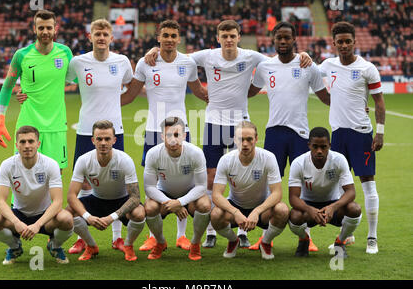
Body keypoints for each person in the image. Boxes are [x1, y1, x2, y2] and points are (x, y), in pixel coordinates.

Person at [145, 19, 312, 249]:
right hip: (214, 122)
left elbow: (280, 60)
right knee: (213, 178)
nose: (229, 40)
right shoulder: (207, 56)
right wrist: (155, 49)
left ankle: (242, 230)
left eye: (233, 36)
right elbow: (175, 55)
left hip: (239, 125)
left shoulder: (251, 57)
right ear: (218, 38)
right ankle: (212, 230)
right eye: (225, 36)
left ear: (238, 36)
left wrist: (302, 54)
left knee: (238, 176)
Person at [121, 19, 208, 252]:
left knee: (184, 179)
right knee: (155, 177)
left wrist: (224, 99)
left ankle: (181, 236)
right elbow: (130, 94)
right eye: (165, 35)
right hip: (152, 128)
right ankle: (153, 236)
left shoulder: (187, 62)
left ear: (179, 39)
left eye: (173, 36)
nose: (169, 39)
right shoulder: (145, 62)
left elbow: (199, 90)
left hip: (181, 128)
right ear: (158, 37)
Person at [248, 21, 330, 251]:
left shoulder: (308, 66)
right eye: (278, 38)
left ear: (295, 39)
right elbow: (250, 91)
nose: (282, 42)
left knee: (305, 185)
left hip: (300, 133)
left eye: (287, 38)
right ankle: (266, 238)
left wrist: (351, 105)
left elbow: (325, 97)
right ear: (273, 40)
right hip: (274, 131)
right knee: (266, 185)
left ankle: (306, 236)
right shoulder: (265, 67)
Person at [63, 18, 132, 254]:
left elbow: (131, 85)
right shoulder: (78, 62)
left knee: (117, 181)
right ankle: (83, 238)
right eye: (97, 34)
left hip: (116, 130)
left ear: (112, 38)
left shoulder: (122, 61)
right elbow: (58, 82)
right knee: (82, 181)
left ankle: (116, 237)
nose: (101, 37)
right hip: (85, 130)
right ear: (89, 37)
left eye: (105, 34)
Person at [319, 21, 386, 254]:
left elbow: (379, 102)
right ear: (334, 43)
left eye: (348, 41)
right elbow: (311, 76)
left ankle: (372, 237)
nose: (344, 45)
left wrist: (379, 132)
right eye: (340, 42)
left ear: (355, 42)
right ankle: (346, 236)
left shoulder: (368, 68)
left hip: (361, 134)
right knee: (339, 189)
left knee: (368, 185)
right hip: (337, 135)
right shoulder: (327, 65)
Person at [0, 10, 72, 172]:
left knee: (56, 175)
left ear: (55, 29)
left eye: (49, 28)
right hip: (28, 124)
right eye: (41, 28)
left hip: (56, 125)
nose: (45, 32)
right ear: (34, 29)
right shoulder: (21, 55)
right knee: (23, 174)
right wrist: (0, 118)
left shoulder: (65, 53)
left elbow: (79, 79)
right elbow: (7, 86)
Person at [0, 126, 74, 265]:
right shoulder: (7, 165)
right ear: (16, 145)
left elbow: (57, 201)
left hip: (45, 216)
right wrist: (16, 222)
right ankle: (14, 247)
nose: (27, 146)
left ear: (38, 144)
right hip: (19, 214)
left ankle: (55, 246)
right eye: (22, 142)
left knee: (67, 219)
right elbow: (0, 201)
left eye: (31, 141)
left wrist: (37, 225)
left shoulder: (50, 164)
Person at [66, 120, 146, 261]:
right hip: (97, 199)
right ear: (93, 140)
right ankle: (91, 245)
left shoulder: (124, 160)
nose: (103, 143)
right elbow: (71, 196)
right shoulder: (83, 160)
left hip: (121, 201)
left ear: (114, 140)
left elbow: (135, 198)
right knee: (68, 212)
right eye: (99, 139)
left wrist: (112, 217)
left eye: (107, 139)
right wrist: (88, 217)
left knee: (139, 213)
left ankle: (128, 245)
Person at [210, 121, 289, 259]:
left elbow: (277, 193)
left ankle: (265, 242)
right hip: (236, 206)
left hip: (262, 208)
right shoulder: (226, 160)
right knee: (216, 215)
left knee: (282, 210)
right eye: (241, 139)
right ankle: (233, 240)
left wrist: (257, 211)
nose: (245, 143)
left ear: (256, 139)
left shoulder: (268, 157)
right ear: (235, 140)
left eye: (249, 139)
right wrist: (235, 212)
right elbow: (216, 195)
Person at [288, 127, 362, 258]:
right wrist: (310, 209)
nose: (319, 151)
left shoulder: (339, 159)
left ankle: (340, 242)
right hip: (308, 206)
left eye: (323, 147)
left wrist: (333, 207)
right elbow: (293, 198)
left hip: (334, 205)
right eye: (315, 146)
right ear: (309, 145)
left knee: (354, 209)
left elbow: (351, 192)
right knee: (294, 216)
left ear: (330, 145)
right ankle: (304, 240)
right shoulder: (298, 163)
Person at [143, 117, 211, 260]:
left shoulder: (195, 153)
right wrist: (171, 202)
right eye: (168, 135)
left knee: (205, 205)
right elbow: (149, 188)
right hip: (164, 194)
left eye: (176, 135)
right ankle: (160, 242)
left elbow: (201, 187)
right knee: (149, 207)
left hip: (190, 194)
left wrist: (179, 202)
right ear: (162, 136)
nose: (173, 140)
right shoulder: (153, 154)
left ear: (184, 135)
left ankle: (195, 244)